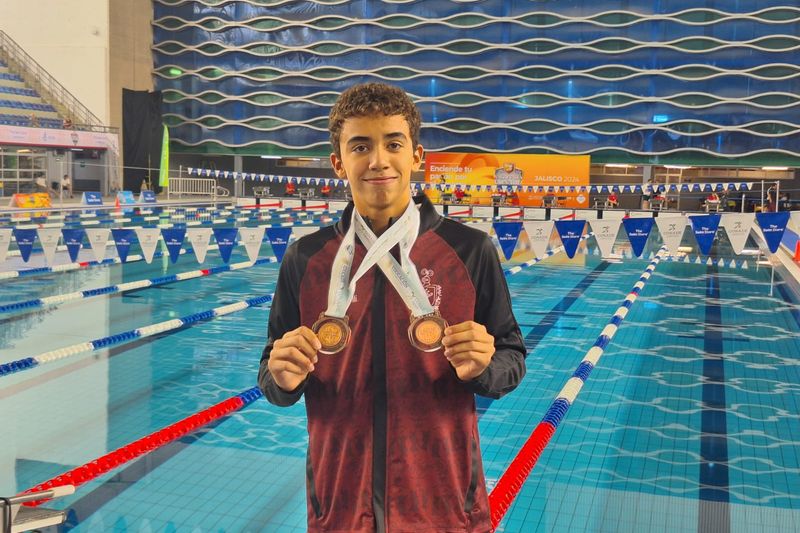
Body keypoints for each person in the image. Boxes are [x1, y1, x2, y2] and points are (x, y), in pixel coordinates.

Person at [258, 82, 526, 533]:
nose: (378, 160)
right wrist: (281, 379)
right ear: (339, 162)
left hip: (445, 509)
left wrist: (485, 367)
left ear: (416, 156)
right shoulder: (306, 259)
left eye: (393, 143)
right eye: (361, 145)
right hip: (339, 508)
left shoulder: (469, 250)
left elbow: (511, 357)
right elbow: (271, 370)